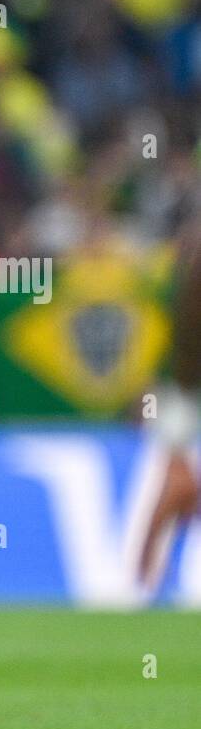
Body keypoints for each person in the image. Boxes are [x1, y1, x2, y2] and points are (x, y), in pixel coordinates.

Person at [139, 229, 201, 584]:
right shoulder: (189, 277)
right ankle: (144, 569)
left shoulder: (182, 270)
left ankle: (145, 569)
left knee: (179, 486)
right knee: (179, 485)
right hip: (180, 391)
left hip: (179, 389)